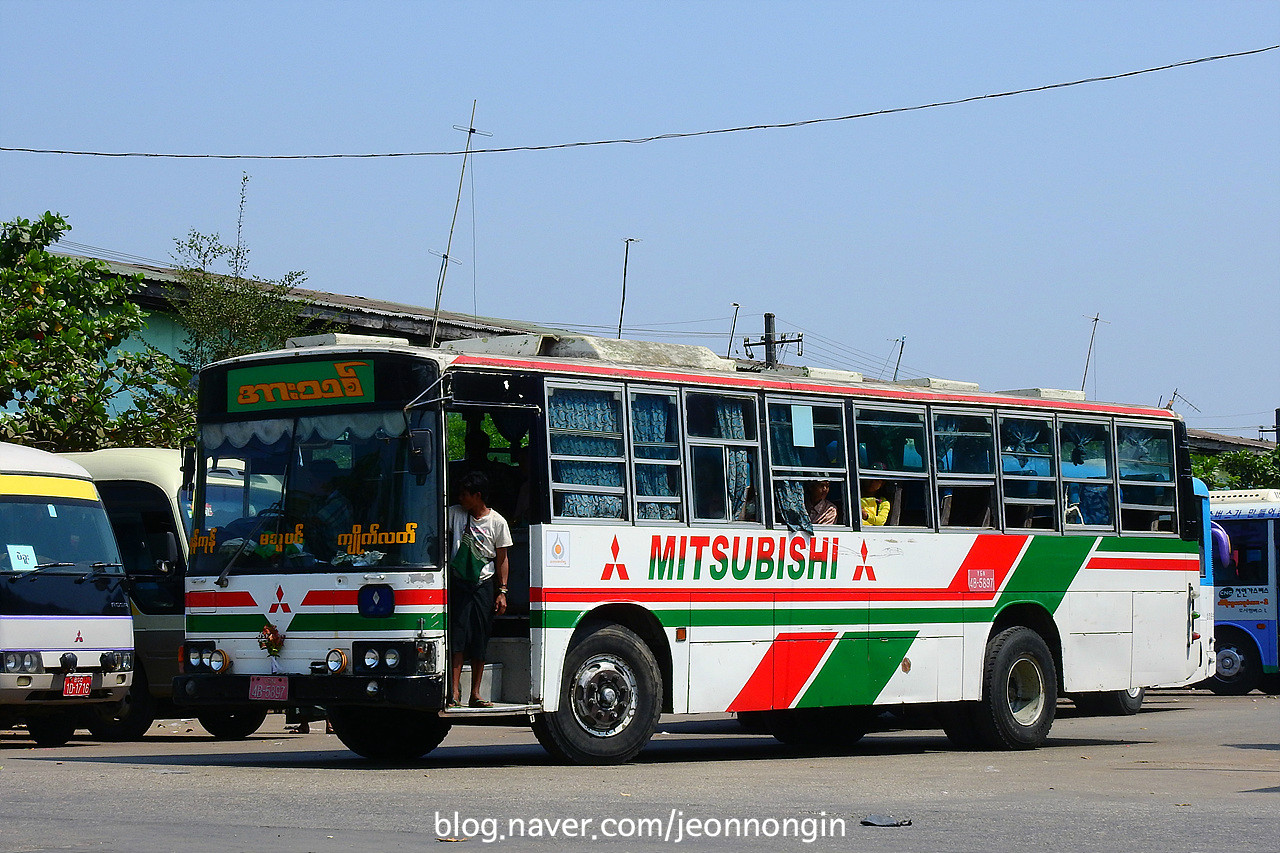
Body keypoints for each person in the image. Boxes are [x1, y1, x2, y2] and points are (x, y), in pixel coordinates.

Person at [447, 470, 513, 709]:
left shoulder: (497, 522)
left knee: (480, 638)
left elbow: (502, 558)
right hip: (459, 583)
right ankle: (454, 691)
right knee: (458, 637)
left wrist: (502, 591)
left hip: (484, 585)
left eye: (465, 494)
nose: (461, 498)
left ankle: (475, 693)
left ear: (478, 495)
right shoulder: (454, 514)